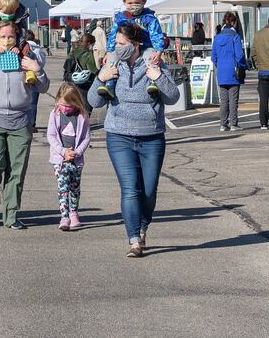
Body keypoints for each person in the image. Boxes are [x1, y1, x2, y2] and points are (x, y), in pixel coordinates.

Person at [90, 21, 176, 257]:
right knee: (130, 189)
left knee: (148, 191)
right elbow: (94, 101)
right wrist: (101, 77)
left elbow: (172, 96)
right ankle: (134, 239)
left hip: (151, 136)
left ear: (136, 44)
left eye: (122, 44)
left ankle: (143, 226)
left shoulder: (153, 62)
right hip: (119, 135)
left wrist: (158, 77)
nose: (117, 48)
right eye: (116, 43)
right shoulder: (112, 63)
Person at [0, 19, 49, 228]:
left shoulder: (26, 55)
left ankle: (11, 215)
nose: (6, 41)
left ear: (17, 37)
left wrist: (36, 68)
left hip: (20, 120)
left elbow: (43, 87)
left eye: (10, 36)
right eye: (2, 36)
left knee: (16, 171)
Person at [108, 0, 167, 100]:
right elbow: (113, 34)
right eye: (130, 3)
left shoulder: (149, 18)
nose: (133, 6)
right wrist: (109, 50)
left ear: (144, 2)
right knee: (112, 58)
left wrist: (159, 50)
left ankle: (153, 82)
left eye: (137, 3)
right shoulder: (121, 18)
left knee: (151, 58)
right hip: (127, 46)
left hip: (145, 45)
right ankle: (110, 84)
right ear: (124, 3)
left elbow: (156, 34)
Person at [46, 82, 92, 231]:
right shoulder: (55, 114)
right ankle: (64, 216)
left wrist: (77, 152)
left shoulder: (82, 117)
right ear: (58, 99)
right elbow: (51, 136)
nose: (65, 108)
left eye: (69, 105)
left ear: (76, 103)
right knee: (63, 186)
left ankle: (74, 212)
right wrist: (62, 151)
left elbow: (86, 138)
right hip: (60, 159)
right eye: (62, 104)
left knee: (75, 187)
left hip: (76, 159)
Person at [212, 11, 246, 131]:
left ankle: (223, 124)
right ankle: (234, 124)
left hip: (221, 72)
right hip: (233, 71)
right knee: (233, 99)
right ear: (233, 22)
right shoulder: (235, 36)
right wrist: (243, 66)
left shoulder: (217, 37)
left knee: (224, 100)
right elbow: (240, 55)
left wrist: (220, 65)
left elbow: (213, 57)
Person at [64, 32, 99, 107]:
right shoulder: (88, 54)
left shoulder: (73, 51)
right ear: (89, 43)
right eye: (93, 44)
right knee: (85, 112)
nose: (93, 46)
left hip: (71, 85)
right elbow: (93, 71)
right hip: (84, 88)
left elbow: (66, 68)